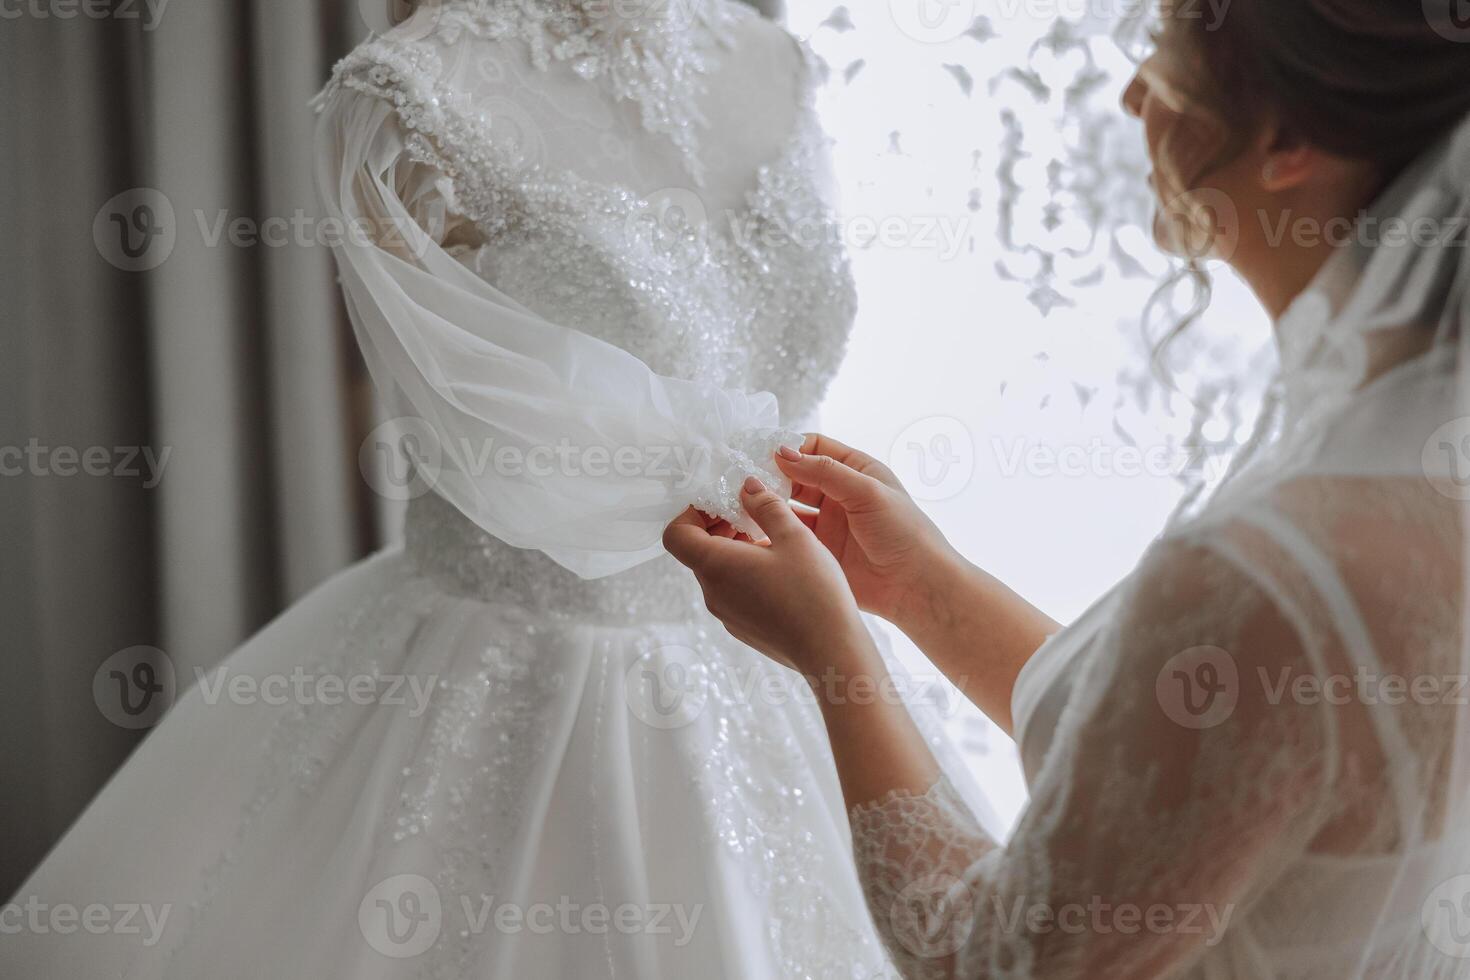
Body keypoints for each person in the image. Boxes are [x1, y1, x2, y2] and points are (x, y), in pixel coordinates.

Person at [2, 1, 977, 976]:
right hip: (513, 671)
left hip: (786, 657)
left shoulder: (776, 59)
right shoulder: (409, 96)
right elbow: (486, 434)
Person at [665, 3, 1470, 976]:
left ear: (1289, 141)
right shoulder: (1396, 459)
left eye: (1166, 67)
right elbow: (1187, 764)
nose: (1133, 96)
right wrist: (924, 591)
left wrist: (834, 653)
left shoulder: (1271, 563)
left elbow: (992, 957)